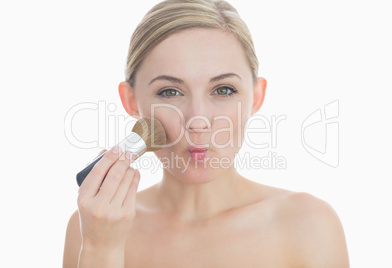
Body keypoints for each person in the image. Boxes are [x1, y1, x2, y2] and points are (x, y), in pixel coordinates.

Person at [63, 0, 350, 267]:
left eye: (223, 90)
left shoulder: (308, 225)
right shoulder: (94, 226)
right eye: (170, 92)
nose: (197, 121)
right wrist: (102, 249)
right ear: (131, 100)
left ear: (257, 97)